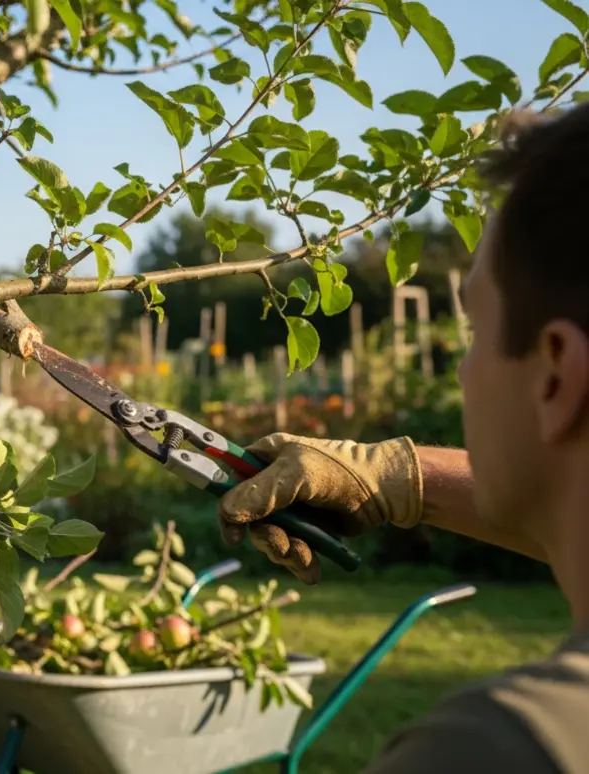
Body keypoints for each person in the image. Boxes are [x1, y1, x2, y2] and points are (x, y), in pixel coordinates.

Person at [216, 104, 589, 772]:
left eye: (474, 333)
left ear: (556, 374)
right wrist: (390, 475)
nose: (464, 370)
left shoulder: (496, 750)